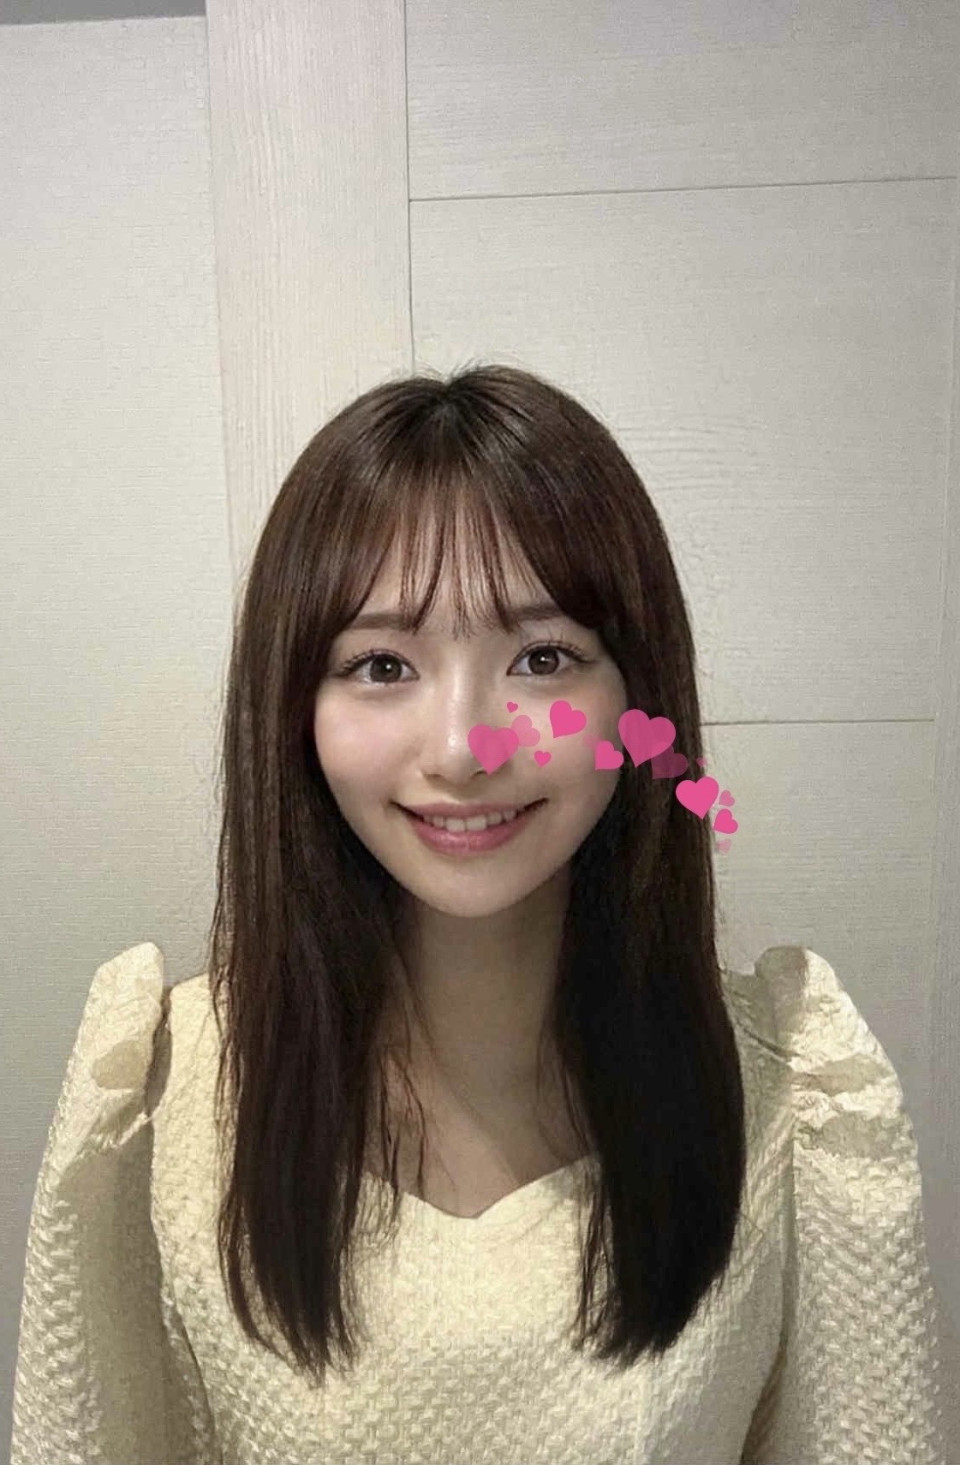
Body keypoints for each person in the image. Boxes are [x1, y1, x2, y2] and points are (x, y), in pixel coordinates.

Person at [10, 364, 948, 1463]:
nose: (462, 748)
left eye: (542, 657)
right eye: (382, 664)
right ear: (294, 707)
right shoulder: (161, 1099)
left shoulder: (793, 1097)